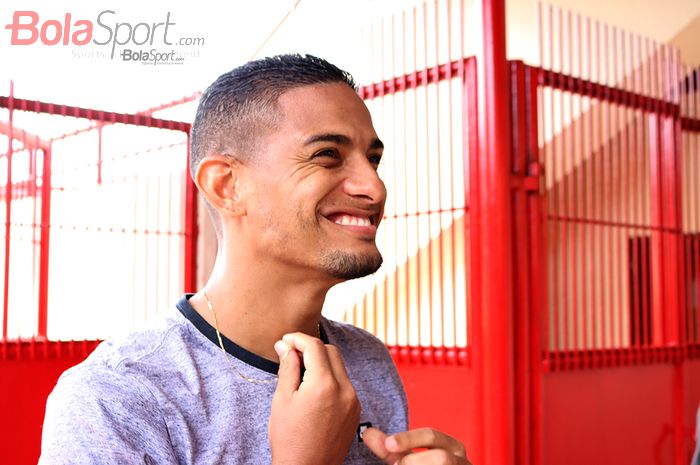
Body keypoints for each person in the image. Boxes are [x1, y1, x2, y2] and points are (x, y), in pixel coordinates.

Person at [39, 54, 470, 465]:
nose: (374, 188)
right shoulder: (117, 396)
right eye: (328, 155)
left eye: (373, 160)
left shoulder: (367, 358)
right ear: (227, 186)